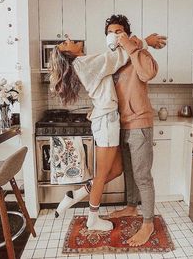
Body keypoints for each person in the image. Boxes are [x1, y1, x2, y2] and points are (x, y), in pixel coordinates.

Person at [49, 32, 158, 231]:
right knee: (101, 175)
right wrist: (144, 42)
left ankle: (77, 194)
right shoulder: (83, 62)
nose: (69, 39)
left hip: (108, 118)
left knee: (116, 170)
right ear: (68, 54)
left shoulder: (84, 62)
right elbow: (118, 57)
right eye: (66, 43)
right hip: (106, 120)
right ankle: (93, 218)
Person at [105, 14, 167, 246]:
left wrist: (136, 46)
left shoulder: (138, 53)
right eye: (111, 32)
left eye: (119, 31)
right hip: (119, 125)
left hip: (140, 123)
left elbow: (148, 74)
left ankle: (148, 222)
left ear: (127, 34)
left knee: (142, 175)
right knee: (129, 172)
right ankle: (131, 207)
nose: (115, 35)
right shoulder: (112, 59)